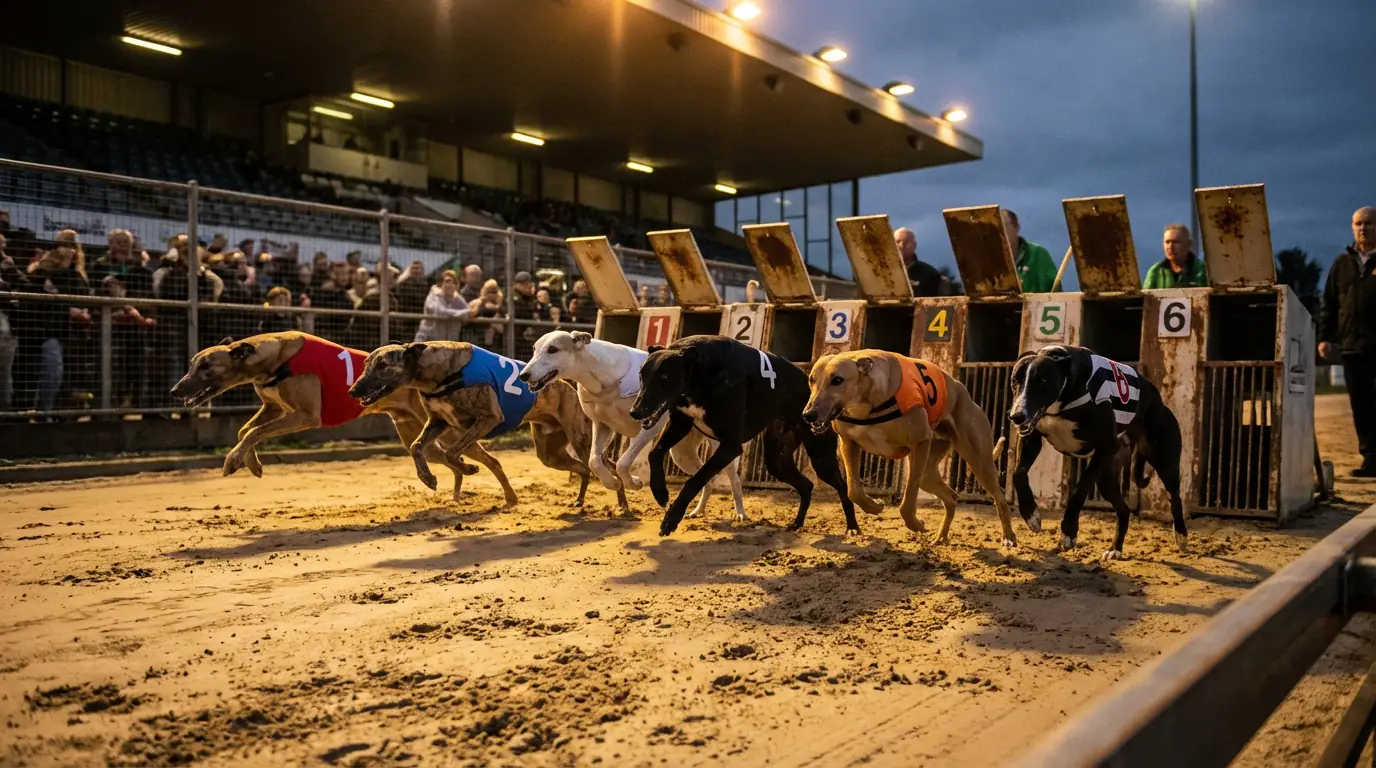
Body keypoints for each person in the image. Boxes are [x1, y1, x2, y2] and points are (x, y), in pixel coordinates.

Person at [1320, 207, 1376, 476]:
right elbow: (1329, 304)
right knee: (1361, 405)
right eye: (1358, 224)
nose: (1363, 228)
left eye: (1368, 223)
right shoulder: (1341, 264)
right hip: (1353, 347)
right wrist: (1325, 338)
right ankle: (1370, 458)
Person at [1002, 210, 1057, 293]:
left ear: (1017, 228)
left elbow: (1056, 293)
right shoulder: (987, 259)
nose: (1000, 232)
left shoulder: (1037, 254)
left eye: (1003, 226)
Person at [1143, 224, 1209, 289]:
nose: (1170, 247)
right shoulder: (1155, 271)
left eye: (1176, 242)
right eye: (1167, 242)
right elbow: (1144, 297)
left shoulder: (1203, 270)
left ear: (1188, 244)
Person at [415, 269, 472, 342]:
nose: (450, 284)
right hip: (426, 339)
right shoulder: (435, 294)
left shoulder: (457, 297)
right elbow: (440, 311)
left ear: (456, 285)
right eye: (447, 281)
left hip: (447, 340)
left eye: (453, 282)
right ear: (441, 283)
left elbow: (468, 310)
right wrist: (461, 313)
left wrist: (463, 313)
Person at [894, 227, 945, 297]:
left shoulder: (930, 274)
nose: (902, 245)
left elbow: (937, 305)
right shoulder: (881, 272)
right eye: (898, 242)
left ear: (914, 246)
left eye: (906, 242)